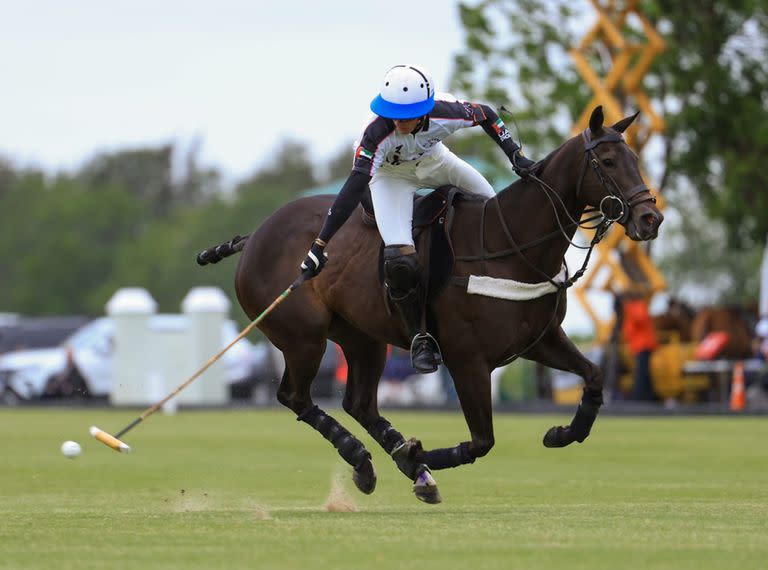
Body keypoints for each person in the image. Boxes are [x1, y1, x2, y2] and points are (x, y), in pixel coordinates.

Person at [299, 64, 535, 373]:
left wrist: (515, 155)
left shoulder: (446, 111)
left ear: (424, 110)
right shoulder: (375, 135)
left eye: (406, 115)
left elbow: (488, 114)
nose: (398, 121)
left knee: (495, 215)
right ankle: (420, 338)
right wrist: (319, 245)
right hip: (390, 178)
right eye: (393, 113)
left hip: (435, 161)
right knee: (399, 260)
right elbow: (351, 189)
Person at [621, 292, 659, 401]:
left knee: (642, 373)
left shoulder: (638, 306)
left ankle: (641, 397)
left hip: (643, 345)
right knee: (643, 372)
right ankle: (646, 396)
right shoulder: (633, 308)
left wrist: (627, 308)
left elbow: (640, 319)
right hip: (639, 346)